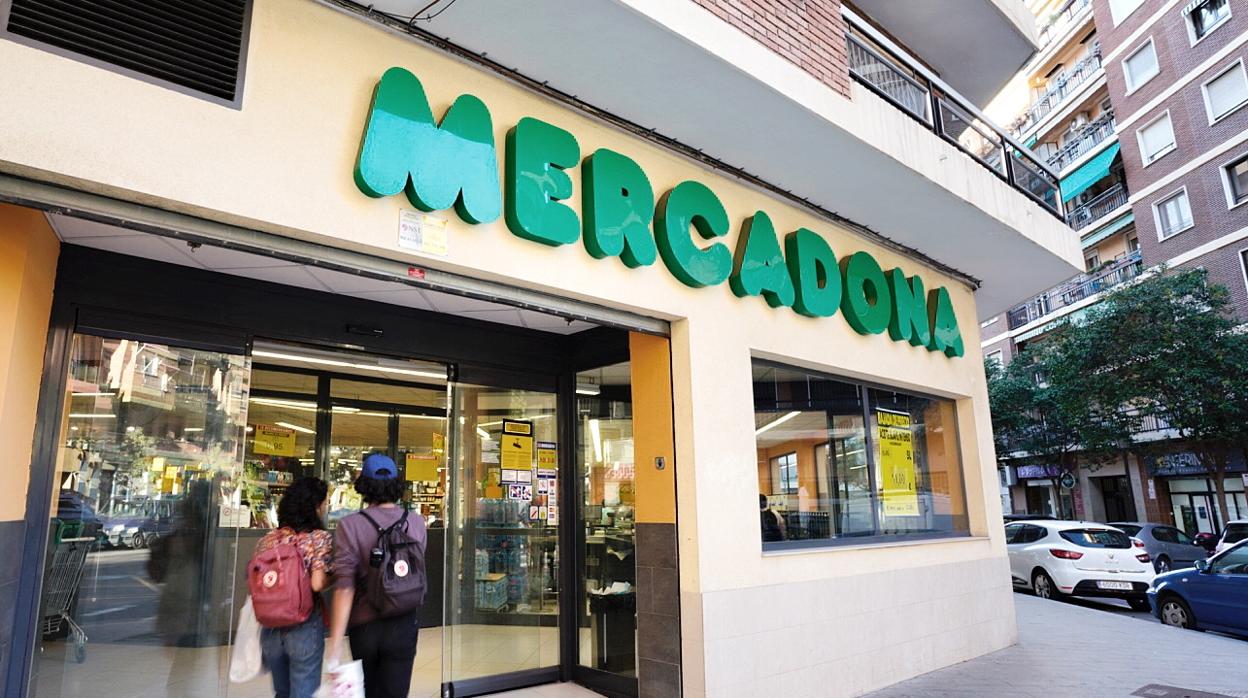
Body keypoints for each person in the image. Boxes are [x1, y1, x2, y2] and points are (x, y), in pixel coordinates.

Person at [328, 453, 427, 698]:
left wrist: (335, 646)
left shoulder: (349, 525)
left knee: (369, 691)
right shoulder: (416, 523)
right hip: (404, 623)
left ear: (364, 485)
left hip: (365, 626)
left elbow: (344, 587)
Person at [253, 477, 333, 698]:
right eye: (325, 503)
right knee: (304, 692)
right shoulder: (318, 538)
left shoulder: (268, 540)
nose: (326, 508)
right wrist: (335, 576)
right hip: (304, 625)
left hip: (270, 628)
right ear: (315, 507)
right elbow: (317, 583)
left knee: (282, 692)